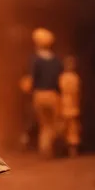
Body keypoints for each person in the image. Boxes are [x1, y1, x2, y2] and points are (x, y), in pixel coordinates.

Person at [29, 28, 63, 158]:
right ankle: (51, 148)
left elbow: (33, 79)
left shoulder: (35, 60)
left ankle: (45, 149)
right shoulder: (56, 61)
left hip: (39, 95)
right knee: (55, 123)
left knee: (44, 124)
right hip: (53, 95)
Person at [59, 55, 81, 158]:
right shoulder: (74, 77)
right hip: (70, 104)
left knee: (69, 127)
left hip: (66, 104)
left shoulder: (63, 77)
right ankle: (70, 150)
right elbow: (76, 92)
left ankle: (70, 150)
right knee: (72, 128)